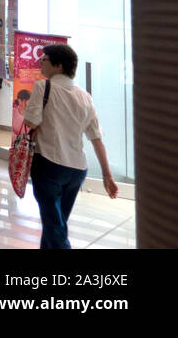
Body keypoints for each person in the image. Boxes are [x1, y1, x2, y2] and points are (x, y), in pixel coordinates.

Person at [22, 43, 119, 249]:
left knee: (54, 227)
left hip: (48, 164)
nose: (41, 63)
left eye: (44, 59)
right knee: (55, 223)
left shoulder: (43, 87)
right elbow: (96, 138)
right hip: (76, 170)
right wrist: (107, 175)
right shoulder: (85, 96)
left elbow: (30, 122)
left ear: (58, 66)